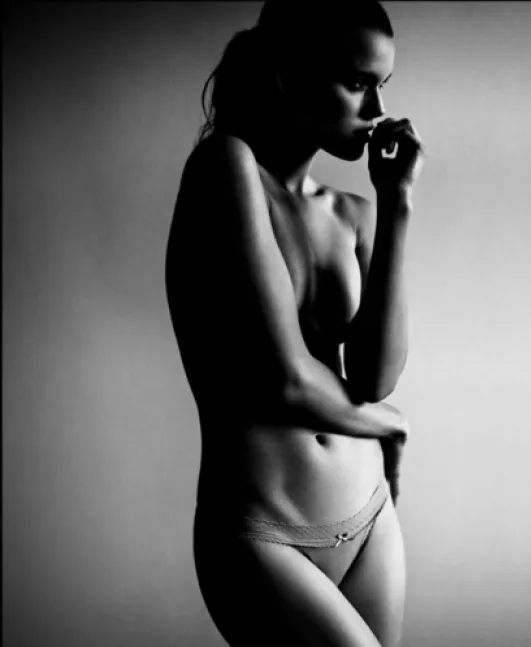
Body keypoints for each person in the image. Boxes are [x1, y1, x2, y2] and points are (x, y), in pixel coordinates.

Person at [165, 1, 426, 645]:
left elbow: (375, 378)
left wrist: (396, 202)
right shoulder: (224, 167)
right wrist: (388, 425)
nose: (376, 110)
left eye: (382, 86)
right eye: (357, 83)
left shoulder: (352, 213)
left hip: (370, 517)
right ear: (289, 75)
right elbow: (282, 378)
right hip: (264, 534)